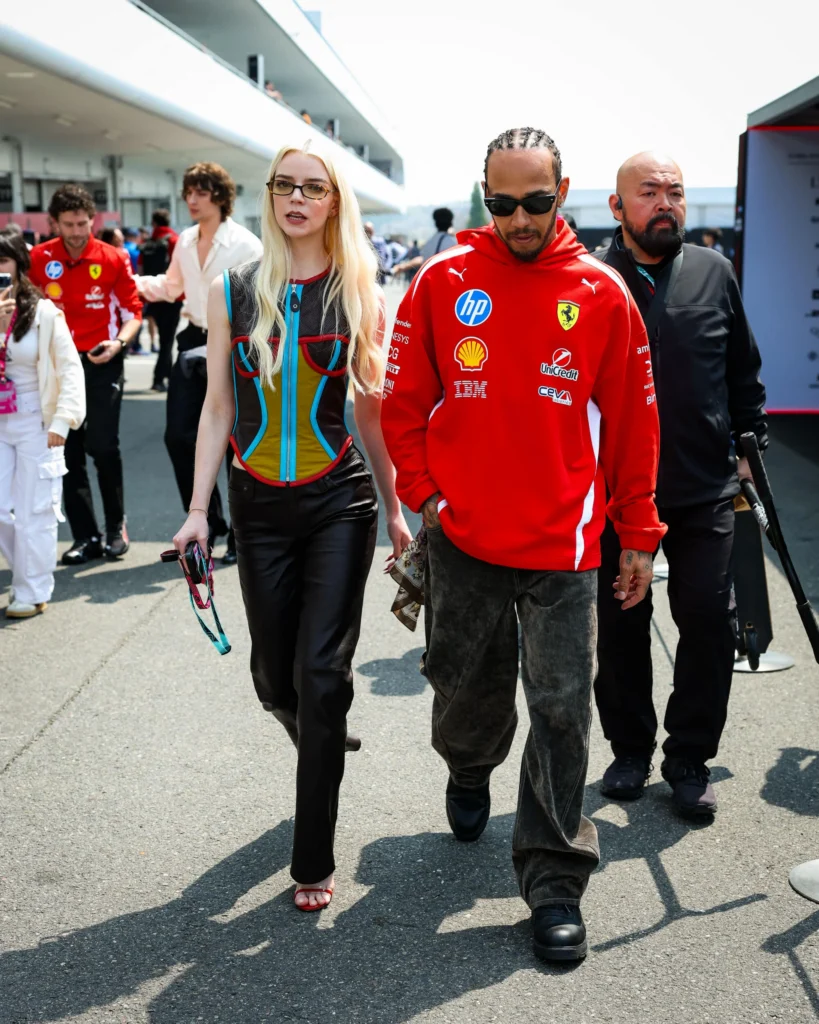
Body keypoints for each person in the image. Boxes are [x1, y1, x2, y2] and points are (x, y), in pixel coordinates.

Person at [381, 126, 664, 962]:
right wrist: (426, 498)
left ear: (562, 192)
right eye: (501, 205)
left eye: (535, 203)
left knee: (561, 711)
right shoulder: (441, 280)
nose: (518, 220)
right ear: (484, 198)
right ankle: (468, 771)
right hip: (463, 540)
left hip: (564, 550)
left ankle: (552, 879)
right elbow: (402, 408)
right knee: (463, 699)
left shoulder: (602, 292)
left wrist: (638, 535)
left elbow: (633, 427)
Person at [172, 140, 411, 912]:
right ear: (271, 196)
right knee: (273, 677)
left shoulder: (360, 293)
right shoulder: (230, 290)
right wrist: (197, 511)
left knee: (321, 675)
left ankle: (313, 858)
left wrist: (398, 509)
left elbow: (370, 414)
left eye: (314, 187)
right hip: (258, 505)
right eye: (285, 185)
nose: (297, 197)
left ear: (334, 200)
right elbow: (216, 408)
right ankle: (319, 730)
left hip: (339, 501)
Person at [593, 152, 767, 818]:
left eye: (675, 192)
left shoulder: (713, 272)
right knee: (619, 625)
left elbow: (741, 370)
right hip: (613, 495)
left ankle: (688, 757)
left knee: (704, 619)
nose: (664, 203)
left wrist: (750, 451)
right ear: (616, 208)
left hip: (701, 487)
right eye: (648, 192)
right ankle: (629, 751)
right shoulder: (589, 280)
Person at [135, 163, 262, 564]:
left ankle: (240, 534)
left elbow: (259, 302)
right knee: (178, 435)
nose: (192, 200)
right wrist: (126, 280)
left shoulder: (246, 244)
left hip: (234, 341)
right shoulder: (185, 241)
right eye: (188, 192)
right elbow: (171, 287)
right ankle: (211, 521)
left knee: (235, 442)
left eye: (201, 192)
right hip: (191, 339)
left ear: (220, 197)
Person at [28, 185, 143, 564]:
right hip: (57, 365)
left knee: (103, 446)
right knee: (66, 450)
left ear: (93, 220)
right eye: (69, 225)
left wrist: (119, 345)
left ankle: (115, 527)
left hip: (101, 359)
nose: (77, 232)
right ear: (54, 223)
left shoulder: (113, 257)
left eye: (83, 223)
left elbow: (133, 312)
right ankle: (86, 537)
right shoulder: (39, 258)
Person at [0, 229, 85, 617]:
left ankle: (31, 590)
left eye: (2, 261)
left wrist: (63, 422)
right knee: (3, 508)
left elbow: (70, 370)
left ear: (18, 264)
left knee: (35, 509)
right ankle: (25, 573)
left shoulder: (44, 313)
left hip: (37, 420)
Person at [140, 209, 181, 392]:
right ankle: (161, 378)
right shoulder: (174, 240)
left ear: (154, 223)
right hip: (170, 295)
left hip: (149, 293)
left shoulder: (148, 242)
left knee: (163, 339)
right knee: (167, 340)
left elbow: (140, 267)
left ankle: (166, 376)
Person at [390, 208, 458, 278]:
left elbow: (423, 260)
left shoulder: (430, 243)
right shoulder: (453, 242)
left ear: (435, 223)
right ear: (451, 222)